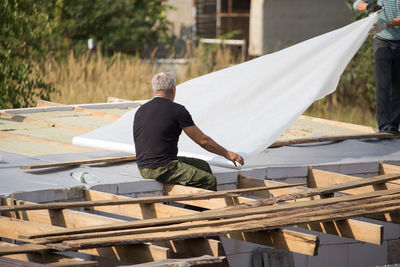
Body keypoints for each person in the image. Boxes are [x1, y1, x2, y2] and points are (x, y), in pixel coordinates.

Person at [133, 72, 244, 191]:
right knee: (209, 181)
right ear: (173, 89)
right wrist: (227, 154)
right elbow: (202, 140)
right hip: (163, 168)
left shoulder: (141, 110)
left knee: (203, 166)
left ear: (154, 89)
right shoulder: (177, 110)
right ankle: (198, 209)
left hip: (143, 168)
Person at [354, 0, 400, 134]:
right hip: (382, 40)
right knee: (383, 84)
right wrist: (368, 6)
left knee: (398, 87)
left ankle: (394, 126)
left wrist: (386, 25)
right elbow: (356, 3)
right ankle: (385, 126)